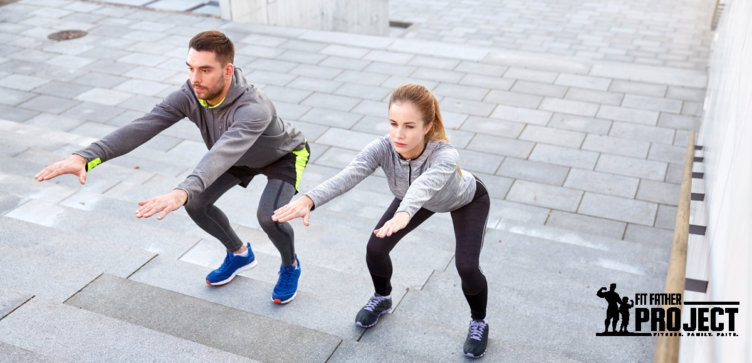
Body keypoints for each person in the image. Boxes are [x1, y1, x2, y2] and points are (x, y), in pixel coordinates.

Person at [34, 30, 310, 305]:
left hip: (281, 155)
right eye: (190, 68)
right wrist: (85, 157)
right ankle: (239, 254)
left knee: (269, 217)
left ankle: (290, 265)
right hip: (236, 156)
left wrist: (181, 190)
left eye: (205, 70)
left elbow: (223, 153)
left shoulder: (254, 107)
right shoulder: (190, 93)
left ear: (228, 70)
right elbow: (144, 126)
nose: (195, 79)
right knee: (197, 203)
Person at [272, 84, 491, 358]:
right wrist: (309, 199)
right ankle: (383, 297)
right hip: (410, 202)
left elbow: (423, 187)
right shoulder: (382, 148)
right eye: (393, 123)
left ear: (427, 127)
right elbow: (350, 174)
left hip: (464, 199)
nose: (399, 134)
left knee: (467, 267)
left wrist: (404, 213)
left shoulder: (445, 155)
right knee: (375, 249)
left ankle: (479, 322)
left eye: (409, 126)